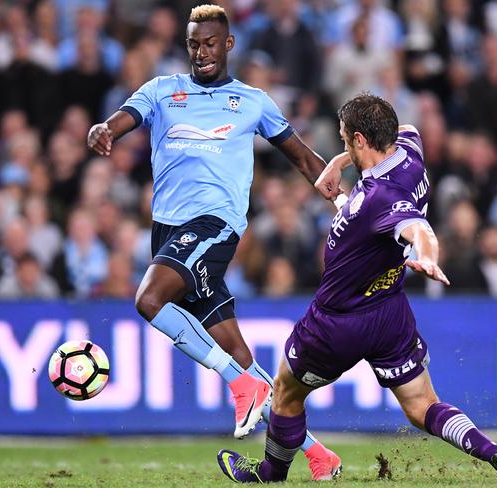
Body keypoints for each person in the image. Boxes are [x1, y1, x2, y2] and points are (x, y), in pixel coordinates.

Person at [216, 94, 497, 484]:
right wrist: (339, 161)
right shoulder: (411, 155)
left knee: (286, 390)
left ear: (361, 139)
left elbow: (418, 228)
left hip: (337, 322)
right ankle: (496, 455)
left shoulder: (380, 199)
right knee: (422, 406)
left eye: (344, 139)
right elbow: (409, 129)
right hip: (389, 313)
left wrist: (428, 255)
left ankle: (269, 473)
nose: (342, 143)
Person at [87, 4, 342, 480]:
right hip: (169, 232)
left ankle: (237, 384)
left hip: (215, 226)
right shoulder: (163, 90)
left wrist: (344, 199)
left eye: (210, 43)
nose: (201, 52)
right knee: (242, 356)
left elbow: (304, 158)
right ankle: (316, 453)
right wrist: (106, 130)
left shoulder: (253, 101)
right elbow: (125, 116)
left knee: (148, 300)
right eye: (193, 44)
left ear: (228, 44)